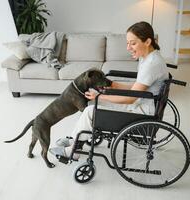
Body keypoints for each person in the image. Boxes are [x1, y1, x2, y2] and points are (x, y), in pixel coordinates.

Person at [49, 21, 168, 159]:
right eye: (127, 43)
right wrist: (113, 85)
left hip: (140, 111)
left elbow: (131, 98)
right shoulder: (149, 57)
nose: (128, 48)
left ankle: (73, 151)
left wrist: (100, 96)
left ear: (147, 41)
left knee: (90, 110)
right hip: (142, 103)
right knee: (92, 106)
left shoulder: (151, 64)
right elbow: (137, 88)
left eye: (133, 43)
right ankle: (76, 140)